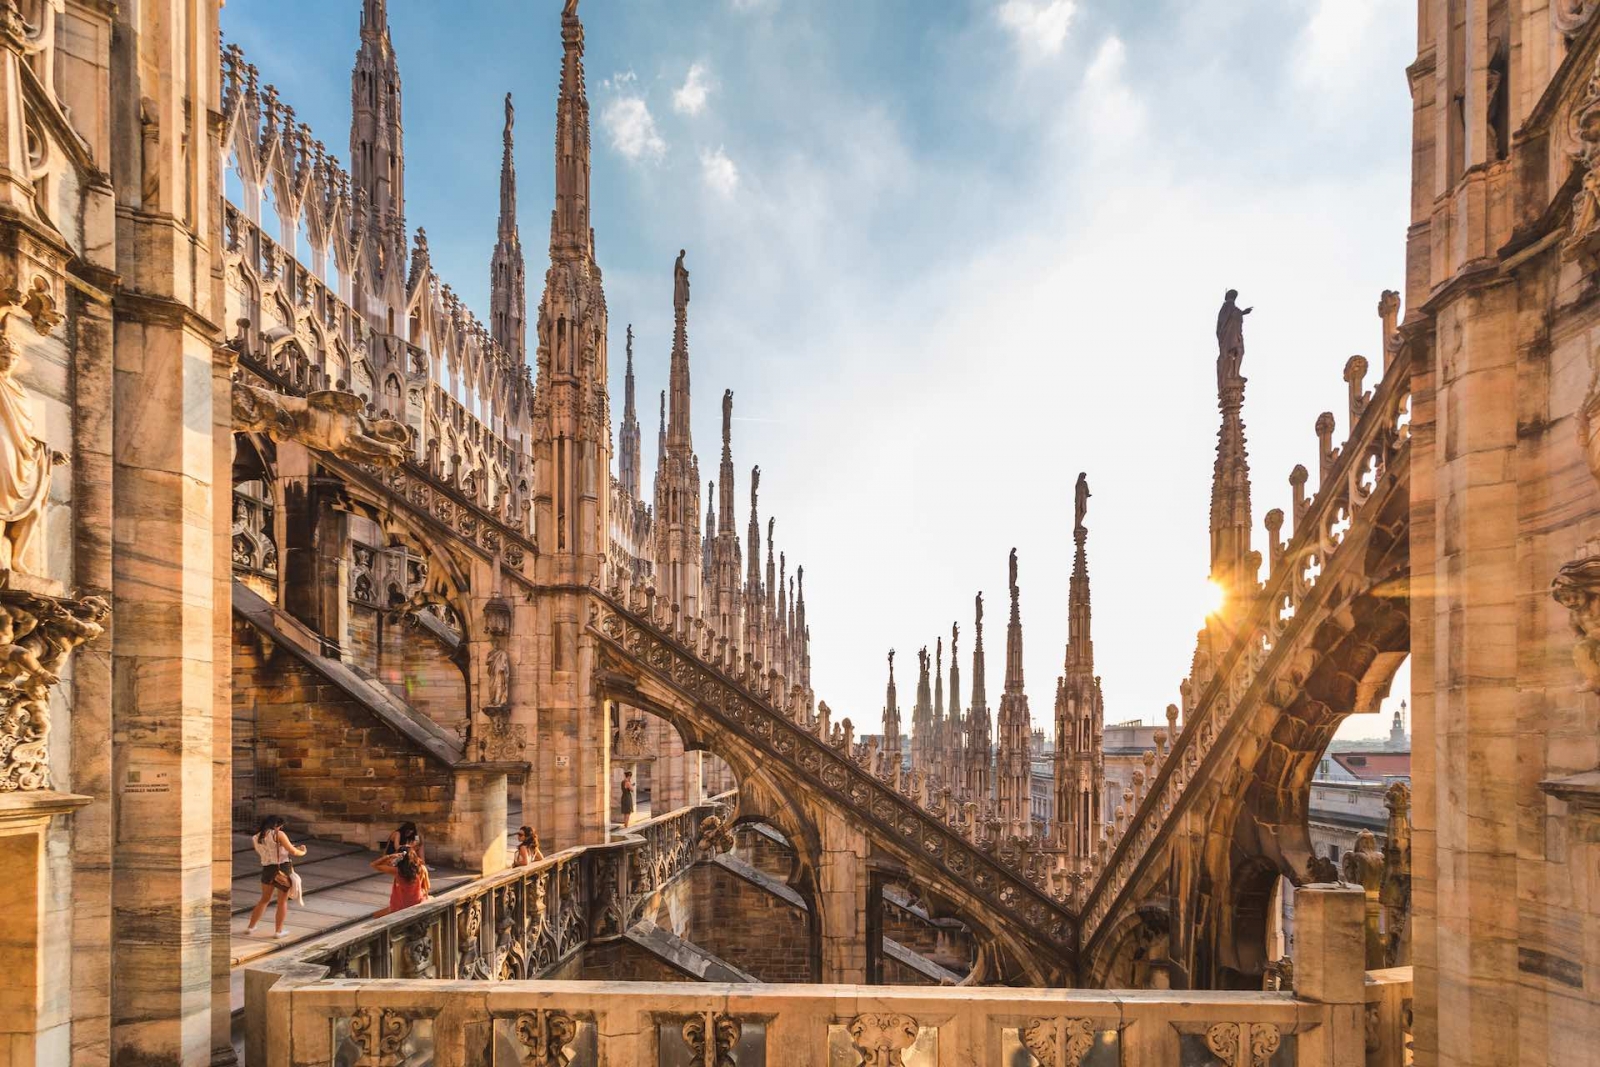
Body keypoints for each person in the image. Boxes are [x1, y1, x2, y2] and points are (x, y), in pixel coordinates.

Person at [245, 814, 306, 939]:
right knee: (282, 902)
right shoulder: (278, 835)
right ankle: (278, 931)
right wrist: (303, 851)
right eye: (280, 826)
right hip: (282, 869)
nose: (280, 829)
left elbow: (267, 852)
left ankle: (250, 927)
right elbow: (293, 852)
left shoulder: (256, 837)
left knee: (264, 899)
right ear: (276, 825)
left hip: (267, 869)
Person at [371, 842, 430, 917]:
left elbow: (374, 865)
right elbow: (427, 887)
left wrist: (390, 856)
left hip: (400, 906)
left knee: (375, 916)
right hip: (417, 902)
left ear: (400, 858)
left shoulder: (397, 871)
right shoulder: (422, 868)